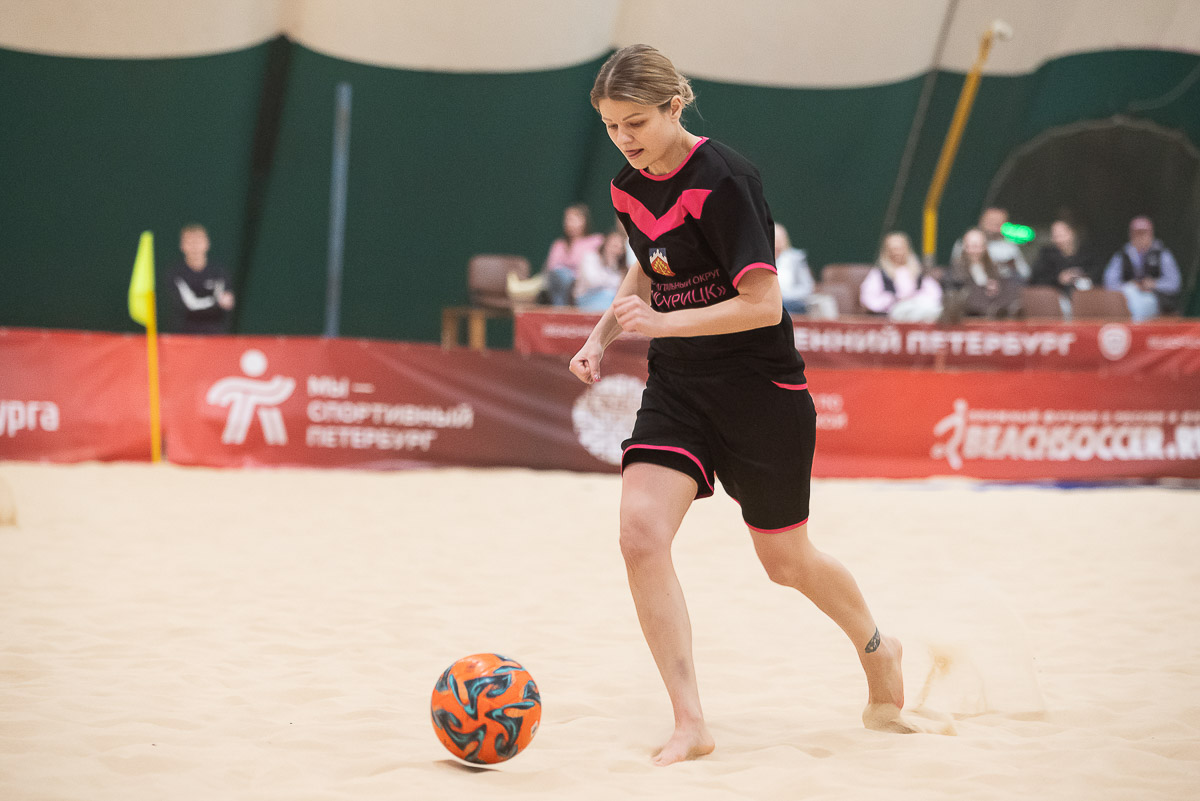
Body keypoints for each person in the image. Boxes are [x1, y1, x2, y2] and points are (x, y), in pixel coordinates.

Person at [569, 44, 912, 767]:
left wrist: (662, 324)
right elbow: (648, 265)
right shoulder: (628, 187)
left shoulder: (725, 179)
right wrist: (600, 336)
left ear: (674, 106)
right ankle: (690, 721)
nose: (624, 138)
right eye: (610, 126)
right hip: (679, 387)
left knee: (786, 561)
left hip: (760, 391)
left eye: (636, 122)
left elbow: (763, 305)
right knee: (639, 534)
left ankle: (879, 647)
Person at [1103, 216, 1182, 322]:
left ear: (1151, 234)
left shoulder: (1162, 254)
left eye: (1144, 233)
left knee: (1144, 302)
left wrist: (1154, 284)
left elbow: (1174, 283)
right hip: (1126, 299)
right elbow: (1109, 282)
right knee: (1130, 295)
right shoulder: (1122, 255)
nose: (1140, 237)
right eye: (1137, 233)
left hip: (1155, 299)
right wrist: (1129, 286)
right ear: (1131, 235)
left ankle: (1136, 328)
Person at [859, 232, 943, 322]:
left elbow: (935, 293)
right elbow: (867, 299)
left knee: (932, 309)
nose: (897, 252)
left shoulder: (917, 271)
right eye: (893, 249)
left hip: (918, 307)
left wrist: (915, 298)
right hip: (894, 312)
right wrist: (893, 300)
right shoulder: (879, 273)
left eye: (900, 248)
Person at [167, 223, 235, 334]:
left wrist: (222, 303)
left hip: (216, 335)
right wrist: (216, 302)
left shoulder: (219, 272)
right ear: (182, 246)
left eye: (198, 241)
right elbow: (188, 305)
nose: (195, 247)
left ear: (207, 244)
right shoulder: (175, 274)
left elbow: (227, 303)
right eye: (190, 242)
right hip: (183, 335)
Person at [943, 228, 1022, 321]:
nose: (974, 251)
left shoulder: (993, 267)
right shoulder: (956, 269)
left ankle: (1007, 311)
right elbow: (954, 288)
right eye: (971, 246)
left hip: (995, 303)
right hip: (970, 310)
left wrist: (995, 286)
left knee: (1009, 284)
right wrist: (983, 287)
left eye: (977, 246)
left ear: (984, 247)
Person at [538, 204, 605, 306]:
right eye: (568, 219)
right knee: (560, 275)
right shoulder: (559, 244)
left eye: (575, 219)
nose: (570, 223)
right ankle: (560, 310)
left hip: (585, 286)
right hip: (561, 284)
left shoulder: (596, 241)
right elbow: (552, 267)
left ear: (585, 220)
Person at [1029, 219, 1097, 318]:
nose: (1058, 239)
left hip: (1085, 301)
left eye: (1061, 235)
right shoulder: (1046, 256)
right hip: (1054, 303)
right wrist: (1059, 278)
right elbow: (1035, 280)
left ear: (1072, 233)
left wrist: (1083, 277)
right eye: (1055, 236)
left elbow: (1097, 276)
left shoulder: (1087, 255)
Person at [952, 207, 1030, 282]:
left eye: (997, 223)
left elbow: (1024, 274)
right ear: (981, 221)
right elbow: (957, 270)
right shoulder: (967, 241)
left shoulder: (1010, 248)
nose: (993, 227)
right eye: (990, 221)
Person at [574, 229, 630, 311]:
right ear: (605, 244)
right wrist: (609, 267)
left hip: (610, 298)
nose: (615, 250)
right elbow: (592, 281)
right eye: (614, 246)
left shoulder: (619, 266)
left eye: (619, 248)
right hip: (586, 298)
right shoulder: (590, 257)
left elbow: (620, 287)